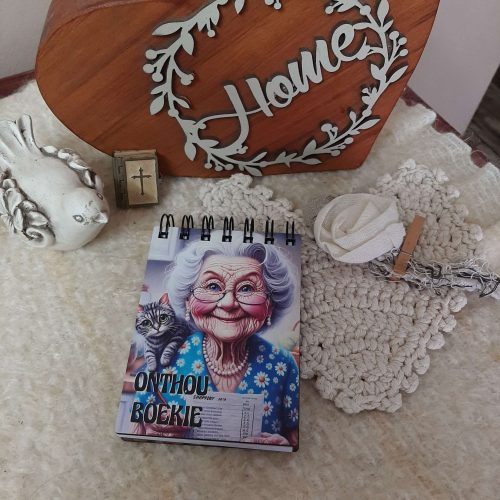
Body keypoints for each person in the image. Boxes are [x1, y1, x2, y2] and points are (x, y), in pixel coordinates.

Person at [134, 235, 299, 447]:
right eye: (212, 286)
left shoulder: (283, 365)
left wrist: (283, 446)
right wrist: (147, 434)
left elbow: (295, 440)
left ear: (270, 305)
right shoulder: (160, 359)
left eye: (247, 288)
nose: (228, 303)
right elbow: (135, 433)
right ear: (188, 300)